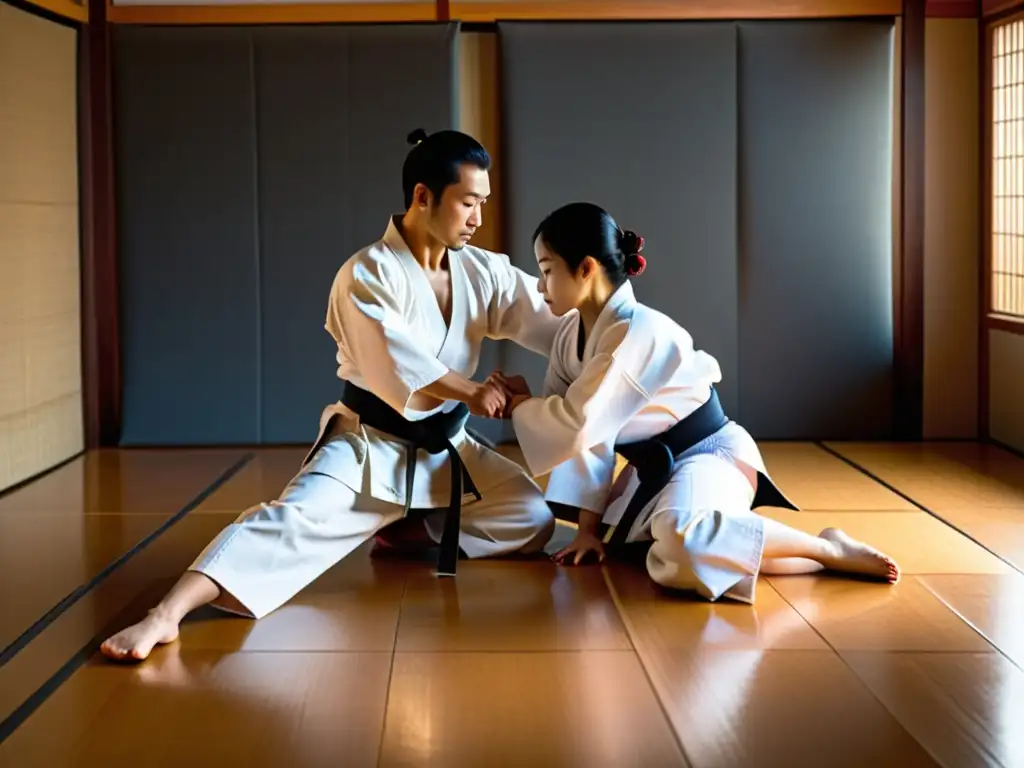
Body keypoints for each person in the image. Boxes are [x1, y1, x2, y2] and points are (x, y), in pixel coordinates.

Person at [100, 129, 560, 661]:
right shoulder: (365, 274)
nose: (478, 218)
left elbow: (553, 318)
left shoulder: (482, 270)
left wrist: (613, 320)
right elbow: (394, 361)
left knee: (531, 517)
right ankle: (166, 615)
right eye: (468, 202)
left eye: (483, 203)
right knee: (287, 520)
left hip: (444, 449)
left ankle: (406, 526)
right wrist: (471, 391)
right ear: (422, 197)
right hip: (369, 445)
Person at [500, 202, 900, 604]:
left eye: (547, 270)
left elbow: (576, 424)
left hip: (709, 456)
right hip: (653, 471)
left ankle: (825, 547)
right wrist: (587, 528)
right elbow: (582, 436)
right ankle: (808, 555)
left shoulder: (640, 332)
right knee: (656, 557)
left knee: (681, 542)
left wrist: (518, 405)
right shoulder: (571, 335)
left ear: (586, 269)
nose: (540, 285)